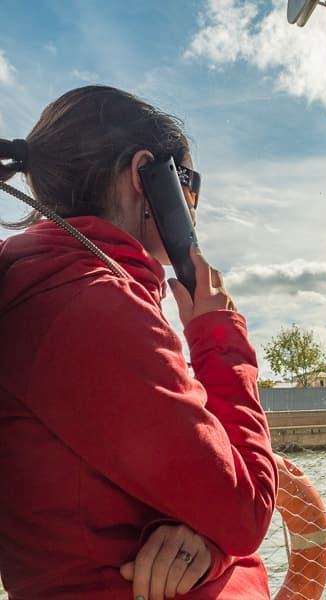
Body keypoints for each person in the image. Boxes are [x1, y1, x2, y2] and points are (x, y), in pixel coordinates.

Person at [0, 86, 279, 599]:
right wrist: (219, 334)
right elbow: (248, 507)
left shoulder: (52, 285)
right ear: (146, 175)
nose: (193, 208)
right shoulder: (89, 305)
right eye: (188, 187)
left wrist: (208, 544)